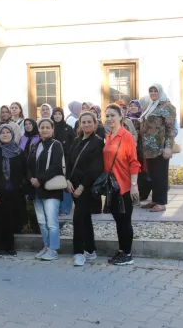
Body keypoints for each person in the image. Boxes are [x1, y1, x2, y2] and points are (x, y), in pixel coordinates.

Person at [0, 124, 27, 258]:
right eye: (3, 132)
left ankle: (9, 247)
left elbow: (24, 172)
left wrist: (22, 190)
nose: (5, 134)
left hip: (13, 193)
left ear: (13, 134)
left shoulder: (19, 152)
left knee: (10, 221)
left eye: (8, 132)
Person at [66, 111, 104, 266]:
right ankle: (91, 249)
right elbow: (69, 161)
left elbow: (95, 167)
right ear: (79, 124)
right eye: (84, 122)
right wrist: (67, 180)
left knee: (78, 219)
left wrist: (82, 186)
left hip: (86, 188)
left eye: (89, 122)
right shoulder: (76, 141)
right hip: (73, 186)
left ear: (95, 123)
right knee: (85, 219)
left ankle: (78, 252)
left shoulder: (98, 142)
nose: (86, 124)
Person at [104, 104, 141, 266]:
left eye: (113, 115)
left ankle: (128, 254)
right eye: (107, 116)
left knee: (125, 220)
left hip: (124, 185)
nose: (110, 118)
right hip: (112, 186)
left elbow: (134, 162)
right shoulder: (109, 136)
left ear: (121, 117)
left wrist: (134, 185)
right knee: (118, 220)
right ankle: (122, 250)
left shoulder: (126, 136)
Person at [27, 118, 64, 261]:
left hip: (50, 190)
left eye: (48, 127)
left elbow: (56, 166)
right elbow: (28, 165)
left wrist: (39, 179)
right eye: (42, 127)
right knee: (42, 221)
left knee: (52, 222)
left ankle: (53, 250)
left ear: (53, 130)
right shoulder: (35, 145)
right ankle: (47, 246)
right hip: (37, 189)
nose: (45, 130)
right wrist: (31, 179)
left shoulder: (56, 145)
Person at [139, 84, 176, 213]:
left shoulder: (167, 107)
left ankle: (161, 203)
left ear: (160, 91)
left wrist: (168, 147)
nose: (153, 93)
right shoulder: (152, 106)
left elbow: (171, 129)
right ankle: (155, 200)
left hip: (160, 148)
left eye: (155, 91)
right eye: (151, 91)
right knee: (153, 176)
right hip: (149, 149)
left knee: (161, 176)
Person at [51, 107, 75, 216]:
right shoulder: (49, 128)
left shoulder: (68, 128)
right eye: (55, 114)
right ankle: (55, 207)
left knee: (65, 182)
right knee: (54, 183)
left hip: (66, 158)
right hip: (52, 159)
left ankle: (65, 208)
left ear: (62, 115)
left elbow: (73, 143)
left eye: (59, 114)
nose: (57, 116)